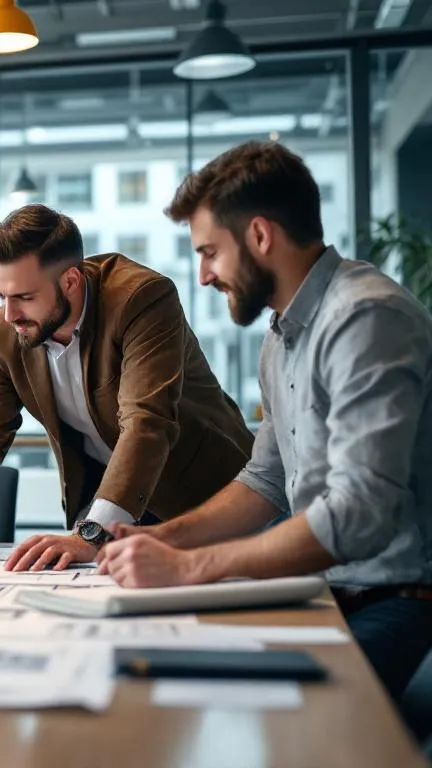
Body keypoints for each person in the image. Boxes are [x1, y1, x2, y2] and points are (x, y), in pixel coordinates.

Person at [98, 140, 432, 702]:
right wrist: (159, 538)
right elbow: (266, 480)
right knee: (155, 668)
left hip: (399, 600)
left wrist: (189, 568)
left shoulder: (365, 318)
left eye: (209, 252)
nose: (203, 276)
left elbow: (357, 514)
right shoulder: (282, 335)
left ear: (259, 235)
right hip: (332, 590)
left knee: (259, 708)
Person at [0, 204, 253, 565]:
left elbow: (147, 423)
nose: (9, 314)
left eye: (23, 296)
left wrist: (91, 533)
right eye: (0, 295)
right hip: (113, 504)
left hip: (212, 498)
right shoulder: (3, 330)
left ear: (72, 281)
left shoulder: (140, 298)